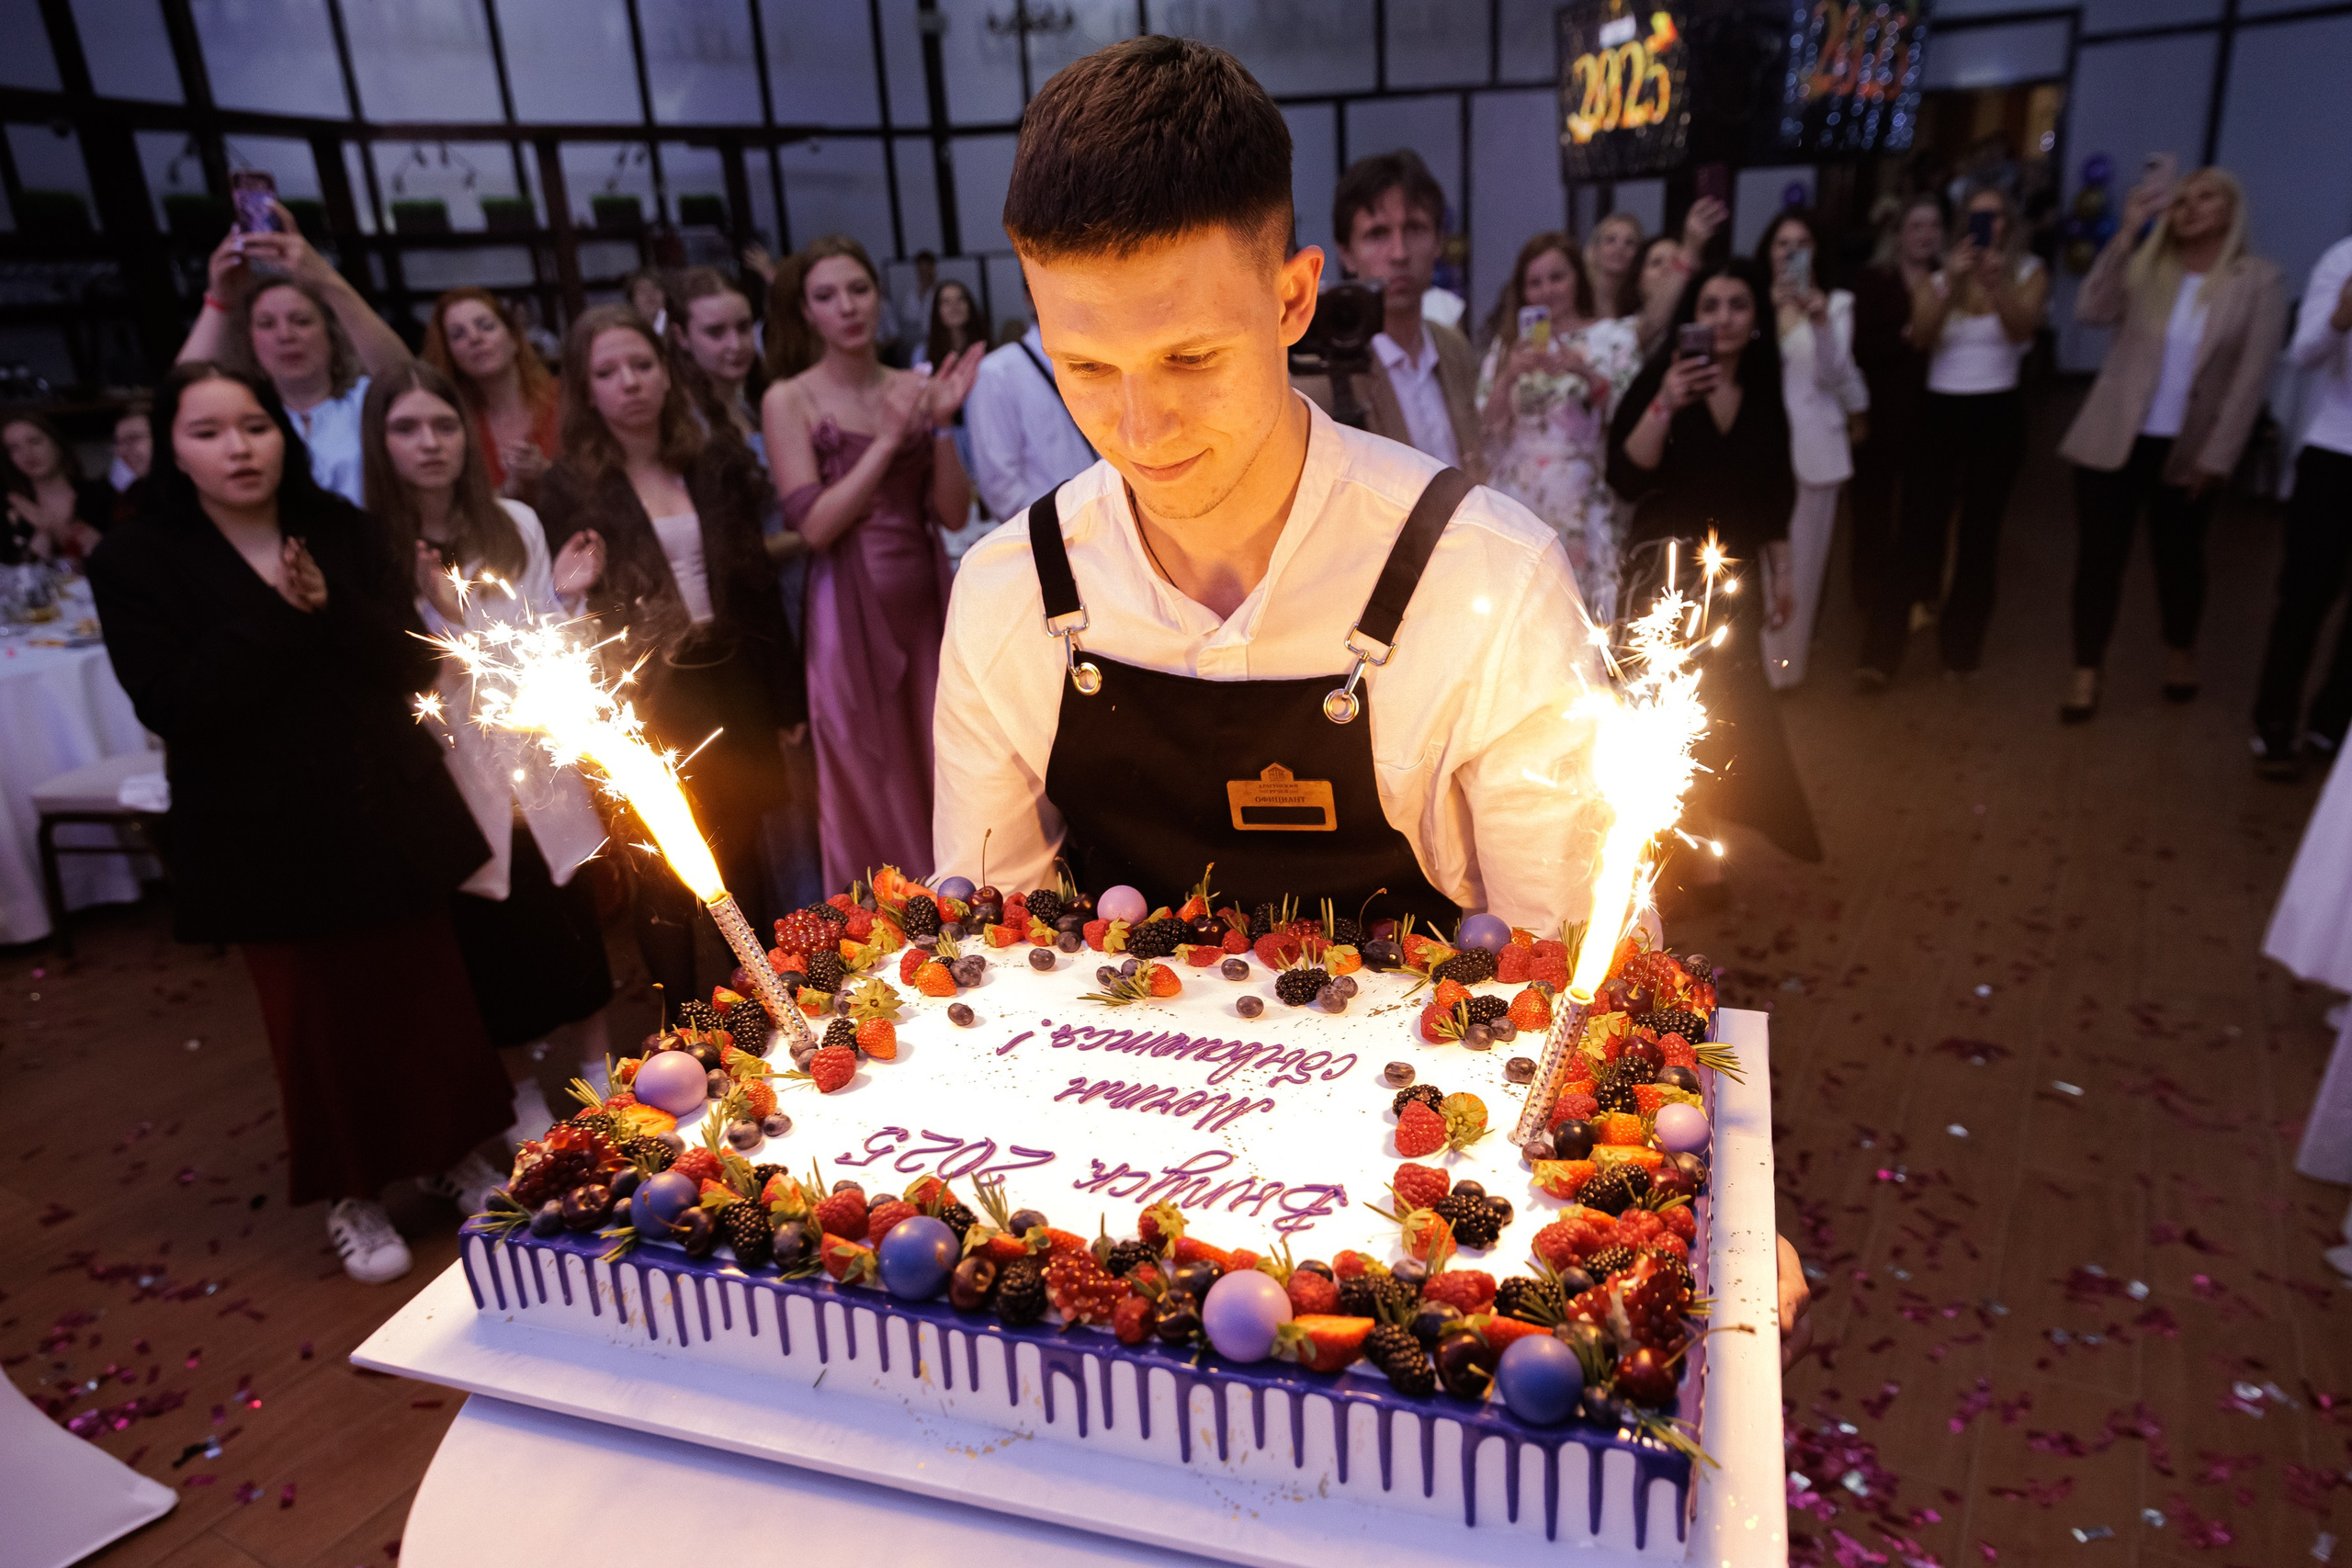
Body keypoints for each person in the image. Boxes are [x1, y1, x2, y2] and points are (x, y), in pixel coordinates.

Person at [934, 36, 1814, 1347]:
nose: (1139, 427)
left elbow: (1563, 971)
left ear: (1294, 297)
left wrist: (1650, 1212)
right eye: (1086, 367)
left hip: (1423, 1213)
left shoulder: (1481, 573)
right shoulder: (1012, 592)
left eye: (1189, 358)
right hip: (1114, 1207)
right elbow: (982, 961)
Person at [86, 361, 506, 1284]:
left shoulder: (340, 528)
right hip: (262, 831)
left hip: (379, 804)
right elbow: (172, 701)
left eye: (256, 425)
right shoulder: (137, 558)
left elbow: (407, 662)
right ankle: (350, 1193)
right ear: (172, 448)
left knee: (423, 996)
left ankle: (449, 1154)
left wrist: (326, 610)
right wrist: (280, 617)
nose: (238, 448)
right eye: (209, 431)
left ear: (284, 433)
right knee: (317, 1021)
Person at [360, 360, 616, 1142]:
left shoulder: (514, 522)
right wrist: (443, 616)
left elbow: (542, 647)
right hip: (449, 767)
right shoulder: (373, 549)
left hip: (534, 755)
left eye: (442, 424)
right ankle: (520, 1097)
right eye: (406, 427)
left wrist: (569, 595)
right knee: (492, 939)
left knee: (570, 912)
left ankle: (600, 1067)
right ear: (380, 441)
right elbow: (397, 677)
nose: (429, 442)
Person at [538, 306, 807, 1006]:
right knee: (661, 869)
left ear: (666, 370)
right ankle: (680, 1020)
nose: (628, 382)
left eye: (641, 364)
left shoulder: (711, 457)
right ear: (585, 389)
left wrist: (785, 699)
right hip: (648, 695)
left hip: (730, 679)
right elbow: (559, 607)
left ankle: (761, 1006)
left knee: (743, 856)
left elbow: (755, 583)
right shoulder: (570, 484)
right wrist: (567, 586)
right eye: (607, 371)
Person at [763, 236, 981, 890]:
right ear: (806, 312)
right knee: (870, 769)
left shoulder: (912, 385)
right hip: (847, 605)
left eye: (858, 289)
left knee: (945, 755)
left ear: (879, 296)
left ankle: (959, 906)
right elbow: (817, 525)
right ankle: (888, 928)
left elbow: (951, 512)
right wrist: (889, 439)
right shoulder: (789, 398)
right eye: (826, 296)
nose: (847, 306)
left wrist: (940, 424)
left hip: (927, 597)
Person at [1609, 259, 1822, 871]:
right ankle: (1668, 856)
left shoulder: (1761, 386)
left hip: (1735, 580)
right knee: (1664, 712)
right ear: (1690, 318)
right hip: (1667, 578)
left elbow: (1773, 492)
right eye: (1710, 306)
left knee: (1732, 712)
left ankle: (1705, 838)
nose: (1723, 319)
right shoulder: (1664, 377)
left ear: (1756, 318)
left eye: (1737, 305)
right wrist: (1667, 402)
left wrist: (1783, 574)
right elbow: (1624, 472)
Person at [2057, 166, 2284, 720]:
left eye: (2206, 196)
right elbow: (2091, 310)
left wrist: (2219, 456)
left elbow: (2250, 379)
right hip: (2117, 436)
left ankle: (2180, 646)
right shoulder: (2146, 263)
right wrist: (2126, 233)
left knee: (2179, 560)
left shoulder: (2258, 280)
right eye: (2182, 197)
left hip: (2189, 447)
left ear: (2231, 211)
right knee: (2098, 560)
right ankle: (2087, 668)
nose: (2190, 205)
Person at [1858, 186, 2049, 689]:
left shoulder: (2030, 271)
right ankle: (1880, 655)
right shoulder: (1940, 277)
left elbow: (2022, 331)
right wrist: (1951, 283)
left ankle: (1961, 652)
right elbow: (1921, 336)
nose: (1988, 227)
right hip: (1939, 411)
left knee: (1979, 536)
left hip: (1998, 411)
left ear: (2010, 223)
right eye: (1976, 218)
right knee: (1915, 531)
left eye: (1997, 218)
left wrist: (1996, 283)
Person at [175, 197, 411, 505]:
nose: (285, 335)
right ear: (250, 341)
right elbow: (180, 396)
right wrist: (219, 300)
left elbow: (405, 378)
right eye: (266, 324)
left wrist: (325, 277)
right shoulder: (245, 419)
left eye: (301, 321)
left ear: (331, 333)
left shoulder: (366, 401)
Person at [1474, 231, 1642, 623]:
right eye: (1535, 282)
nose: (1547, 290)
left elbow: (1630, 417)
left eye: (1557, 277)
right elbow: (1484, 426)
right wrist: (1508, 376)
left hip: (1581, 494)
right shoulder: (1507, 348)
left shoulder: (1612, 338)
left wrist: (1583, 371)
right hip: (1517, 492)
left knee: (1582, 610)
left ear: (1577, 279)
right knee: (1520, 608)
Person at [1294, 150, 1484, 479]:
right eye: (1377, 234)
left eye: (1415, 228)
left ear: (1438, 241)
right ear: (1346, 254)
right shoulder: (1325, 374)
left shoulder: (1453, 347)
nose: (1400, 253)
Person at [1756, 209, 1869, 689]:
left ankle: (1787, 671)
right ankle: (1757, 666)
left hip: (1814, 447)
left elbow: (1835, 375)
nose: (1790, 251)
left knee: (1802, 566)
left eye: (1801, 242)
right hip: (1758, 447)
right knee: (1752, 564)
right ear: (1769, 251)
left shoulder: (1838, 304)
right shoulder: (1750, 302)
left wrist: (1818, 318)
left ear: (1816, 250)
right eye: (1782, 243)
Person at [2254, 235, 2352, 775]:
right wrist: (2340, 318)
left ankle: (2332, 724)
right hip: (2338, 449)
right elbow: (2303, 354)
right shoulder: (2344, 259)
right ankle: (2273, 724)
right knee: (2306, 594)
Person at [1848, 195, 1942, 610]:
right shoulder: (1875, 280)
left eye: (1934, 226)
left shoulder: (1948, 280)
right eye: (1917, 225)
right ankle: (1869, 595)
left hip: (1933, 411)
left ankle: (1917, 592)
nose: (1926, 234)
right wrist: (1905, 337)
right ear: (1899, 234)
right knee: (1872, 508)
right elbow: (1859, 346)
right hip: (1880, 409)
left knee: (1925, 509)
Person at [965, 282, 1095, 522]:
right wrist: (1067, 528)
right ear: (1030, 297)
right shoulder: (997, 373)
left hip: (1111, 522)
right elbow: (1001, 489)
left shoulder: (1100, 362)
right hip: (1055, 536)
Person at [423, 288, 560, 502]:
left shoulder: (565, 398)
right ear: (449, 354)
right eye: (458, 335)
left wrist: (550, 474)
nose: (475, 338)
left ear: (514, 337)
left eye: (486, 326)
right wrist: (507, 493)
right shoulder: (454, 425)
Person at [1586, 199, 1729, 356]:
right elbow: (1651, 324)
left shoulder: (1701, 323)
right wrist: (1691, 247)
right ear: (1638, 280)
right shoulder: (1626, 327)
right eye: (1656, 262)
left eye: (1675, 262)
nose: (1669, 269)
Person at [664, 266, 764, 447]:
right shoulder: (679, 421)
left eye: (743, 327)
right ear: (681, 336)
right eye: (715, 332)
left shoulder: (751, 401)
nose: (736, 345)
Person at [3, 412, 112, 563]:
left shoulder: (101, 494)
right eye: (14, 448)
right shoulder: (10, 508)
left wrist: (49, 525)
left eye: (35, 442)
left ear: (56, 443)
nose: (27, 453)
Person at [108, 400, 155, 525]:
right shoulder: (125, 498)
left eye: (133, 439)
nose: (121, 452)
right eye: (118, 443)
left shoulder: (187, 494)